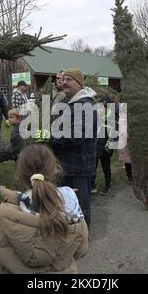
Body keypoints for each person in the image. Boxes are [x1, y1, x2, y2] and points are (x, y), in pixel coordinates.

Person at [0, 144, 88, 273]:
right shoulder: (72, 209)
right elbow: (81, 249)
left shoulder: (4, 214)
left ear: (20, 174)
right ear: (55, 169)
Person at [51, 68, 97, 228]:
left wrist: (53, 137)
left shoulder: (86, 105)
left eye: (68, 79)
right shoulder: (69, 103)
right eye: (63, 79)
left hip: (80, 166)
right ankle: (70, 235)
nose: (64, 82)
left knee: (81, 205)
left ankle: (83, 237)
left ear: (79, 83)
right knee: (65, 203)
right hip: (66, 164)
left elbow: (79, 135)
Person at [91, 96, 114, 196]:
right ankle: (92, 186)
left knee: (106, 168)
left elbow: (113, 135)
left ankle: (107, 185)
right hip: (95, 148)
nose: (100, 108)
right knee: (93, 168)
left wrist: (109, 146)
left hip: (105, 149)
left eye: (102, 106)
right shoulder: (95, 118)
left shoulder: (111, 119)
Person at [118, 103, 133, 184]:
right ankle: (130, 176)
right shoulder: (123, 107)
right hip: (125, 137)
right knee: (127, 158)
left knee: (134, 157)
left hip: (134, 136)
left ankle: (135, 175)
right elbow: (122, 121)